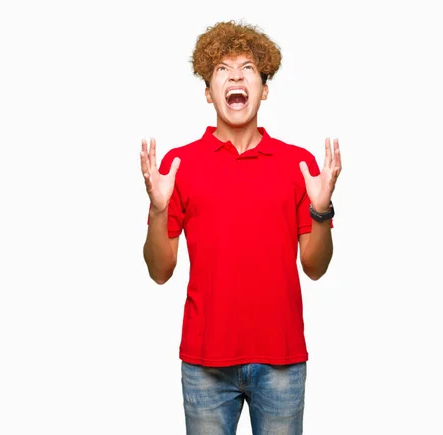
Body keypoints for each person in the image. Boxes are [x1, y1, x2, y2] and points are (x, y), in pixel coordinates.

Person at [140, 20, 342, 435]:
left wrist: (321, 210)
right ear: (208, 91)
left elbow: (316, 267)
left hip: (282, 363)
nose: (235, 76)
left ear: (264, 88)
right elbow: (160, 271)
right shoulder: (180, 165)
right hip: (204, 364)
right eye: (222, 69)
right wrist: (158, 209)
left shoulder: (297, 164)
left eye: (248, 68)